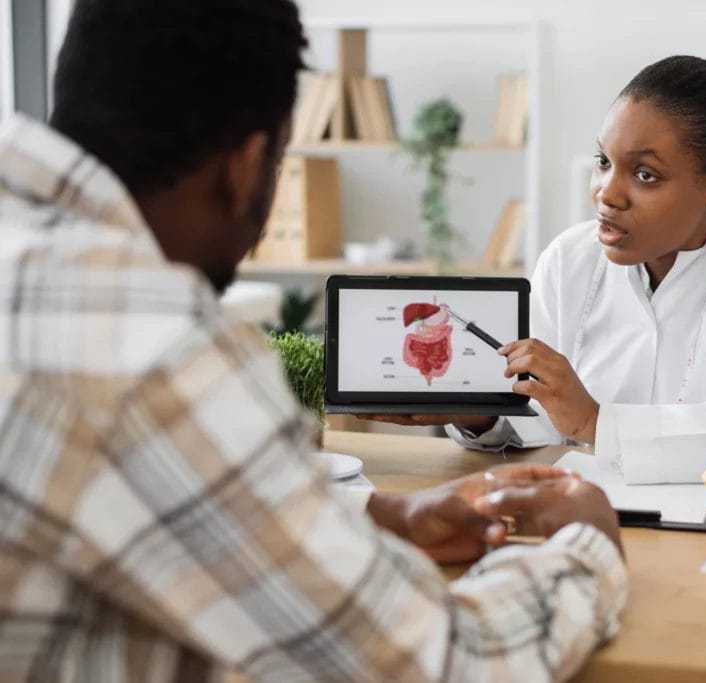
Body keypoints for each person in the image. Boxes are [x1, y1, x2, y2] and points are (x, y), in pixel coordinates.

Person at [0, 1, 626, 682]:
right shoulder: (149, 344)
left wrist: (375, 514)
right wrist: (586, 544)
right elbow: (443, 662)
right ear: (245, 166)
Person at [373, 56, 706, 463]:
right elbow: (542, 423)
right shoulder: (567, 260)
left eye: (644, 174)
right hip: (579, 515)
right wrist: (481, 416)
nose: (607, 193)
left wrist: (598, 423)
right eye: (602, 161)